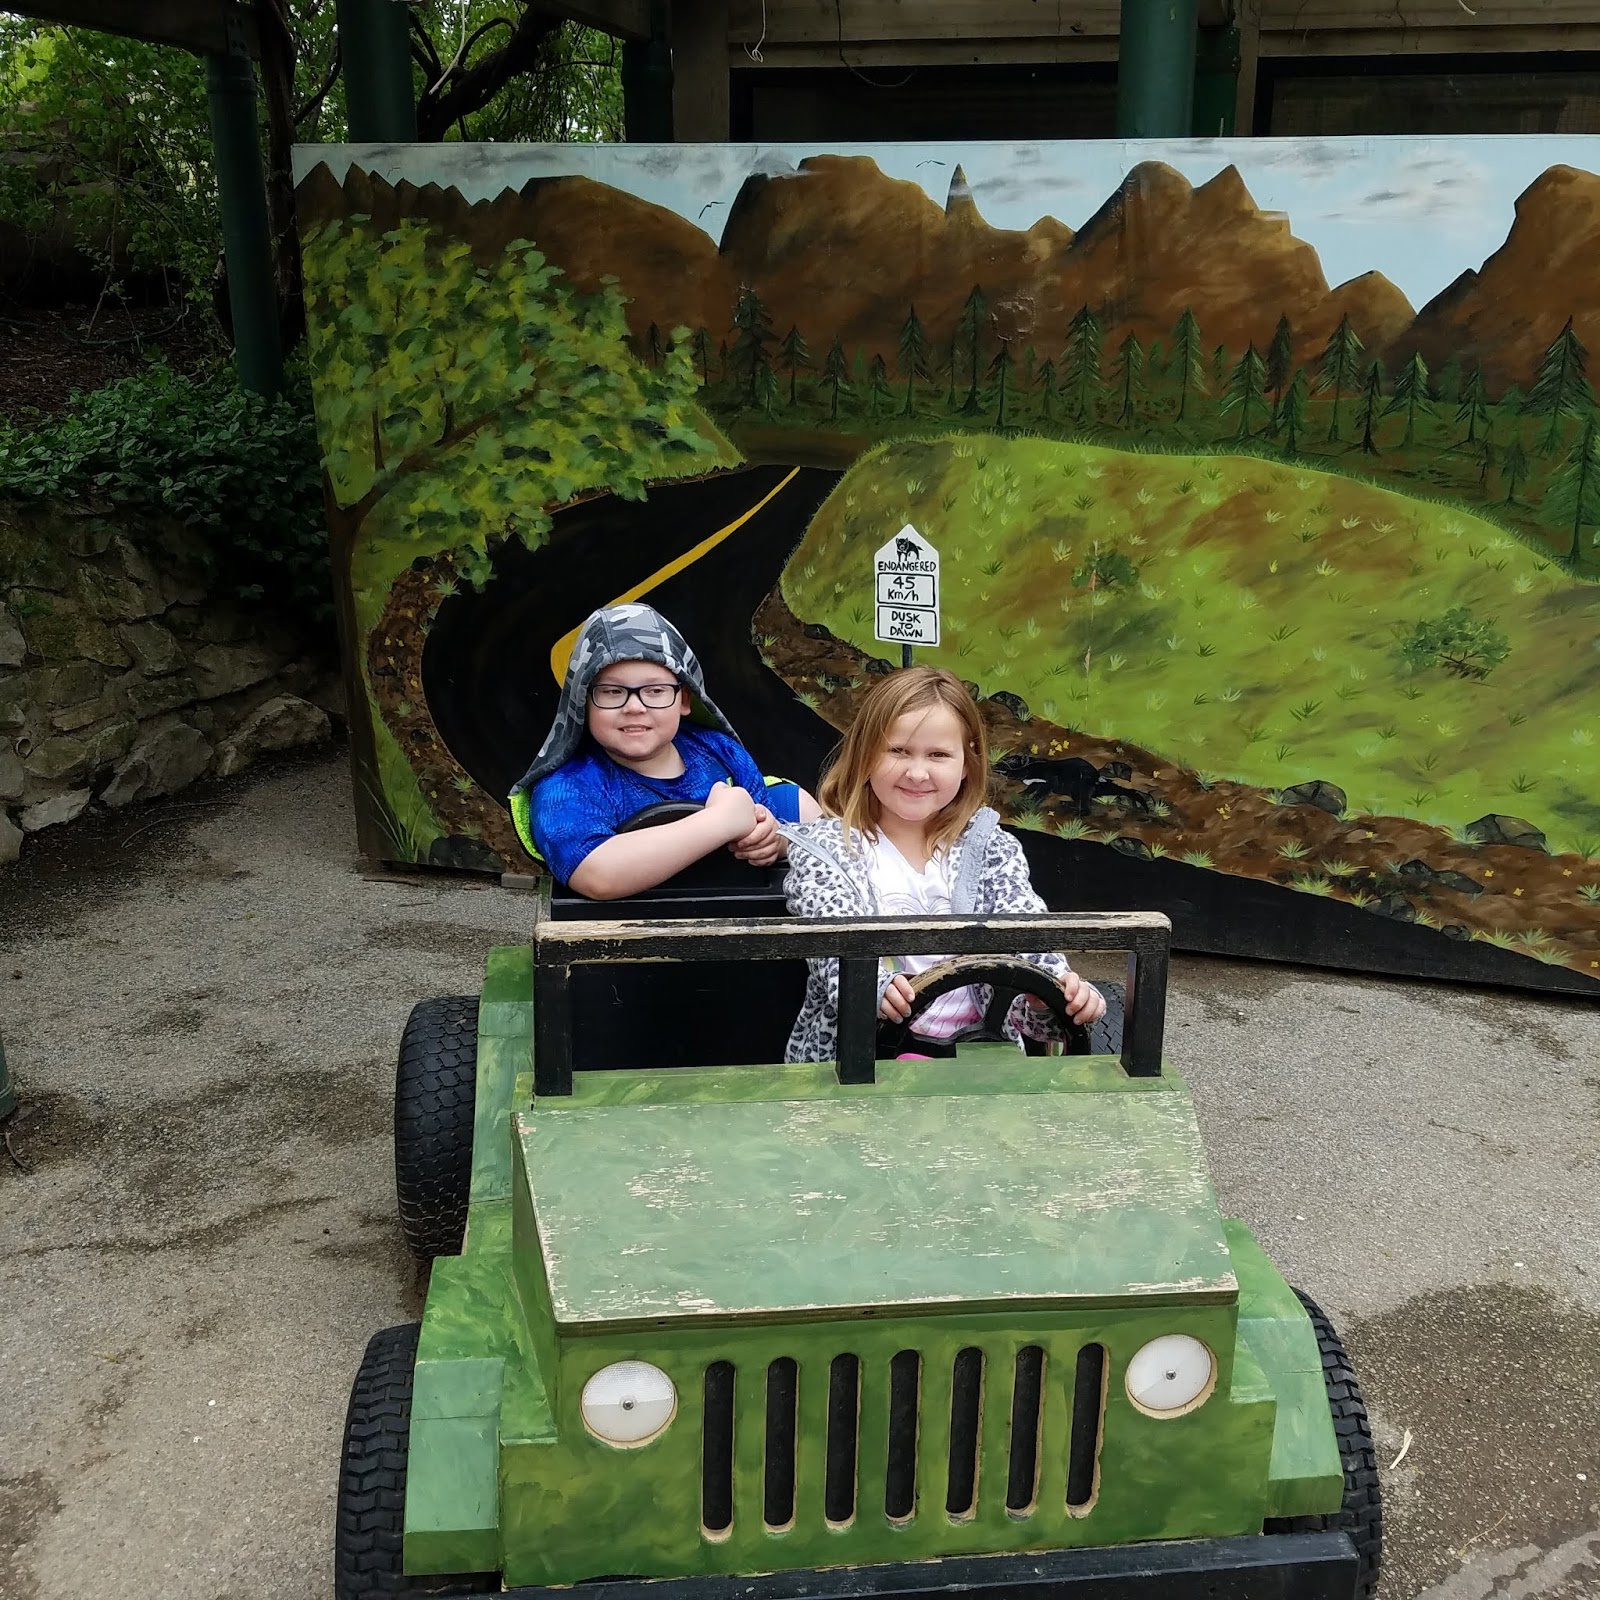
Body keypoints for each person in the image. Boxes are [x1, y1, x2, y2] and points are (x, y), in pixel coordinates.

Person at [780, 665, 1104, 1062]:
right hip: (863, 1061)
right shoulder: (826, 851)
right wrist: (873, 988)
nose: (917, 773)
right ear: (865, 755)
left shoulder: (992, 850)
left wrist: (1055, 993)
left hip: (982, 1053)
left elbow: (1027, 937)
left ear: (966, 764)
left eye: (938, 755)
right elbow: (835, 952)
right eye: (898, 751)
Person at [510, 602, 820, 899]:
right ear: (583, 702)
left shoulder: (719, 752)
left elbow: (763, 818)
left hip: (735, 914)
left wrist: (771, 840)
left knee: (807, 813)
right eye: (612, 691)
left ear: (684, 699)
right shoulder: (567, 787)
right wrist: (718, 822)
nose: (635, 707)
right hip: (625, 931)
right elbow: (596, 875)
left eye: (655, 691)